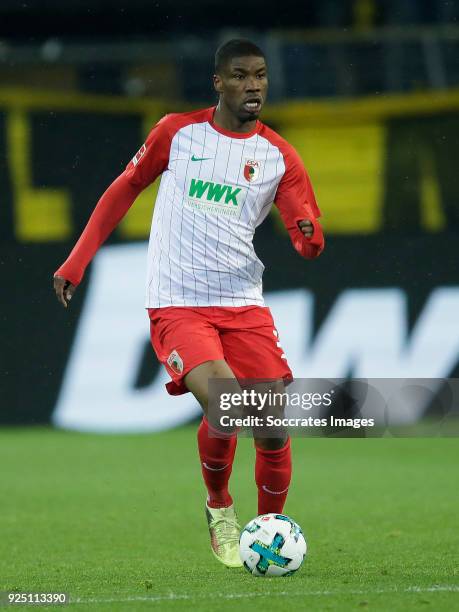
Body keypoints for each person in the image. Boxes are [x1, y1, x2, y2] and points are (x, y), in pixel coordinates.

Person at [53, 38, 324, 569]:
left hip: (243, 303)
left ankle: (268, 528)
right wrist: (75, 262)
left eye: (262, 76)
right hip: (178, 302)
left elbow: (305, 230)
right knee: (226, 404)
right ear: (218, 82)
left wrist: (307, 234)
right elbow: (124, 188)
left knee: (270, 425)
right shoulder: (177, 132)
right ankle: (219, 505)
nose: (254, 86)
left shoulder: (278, 156)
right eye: (242, 76)